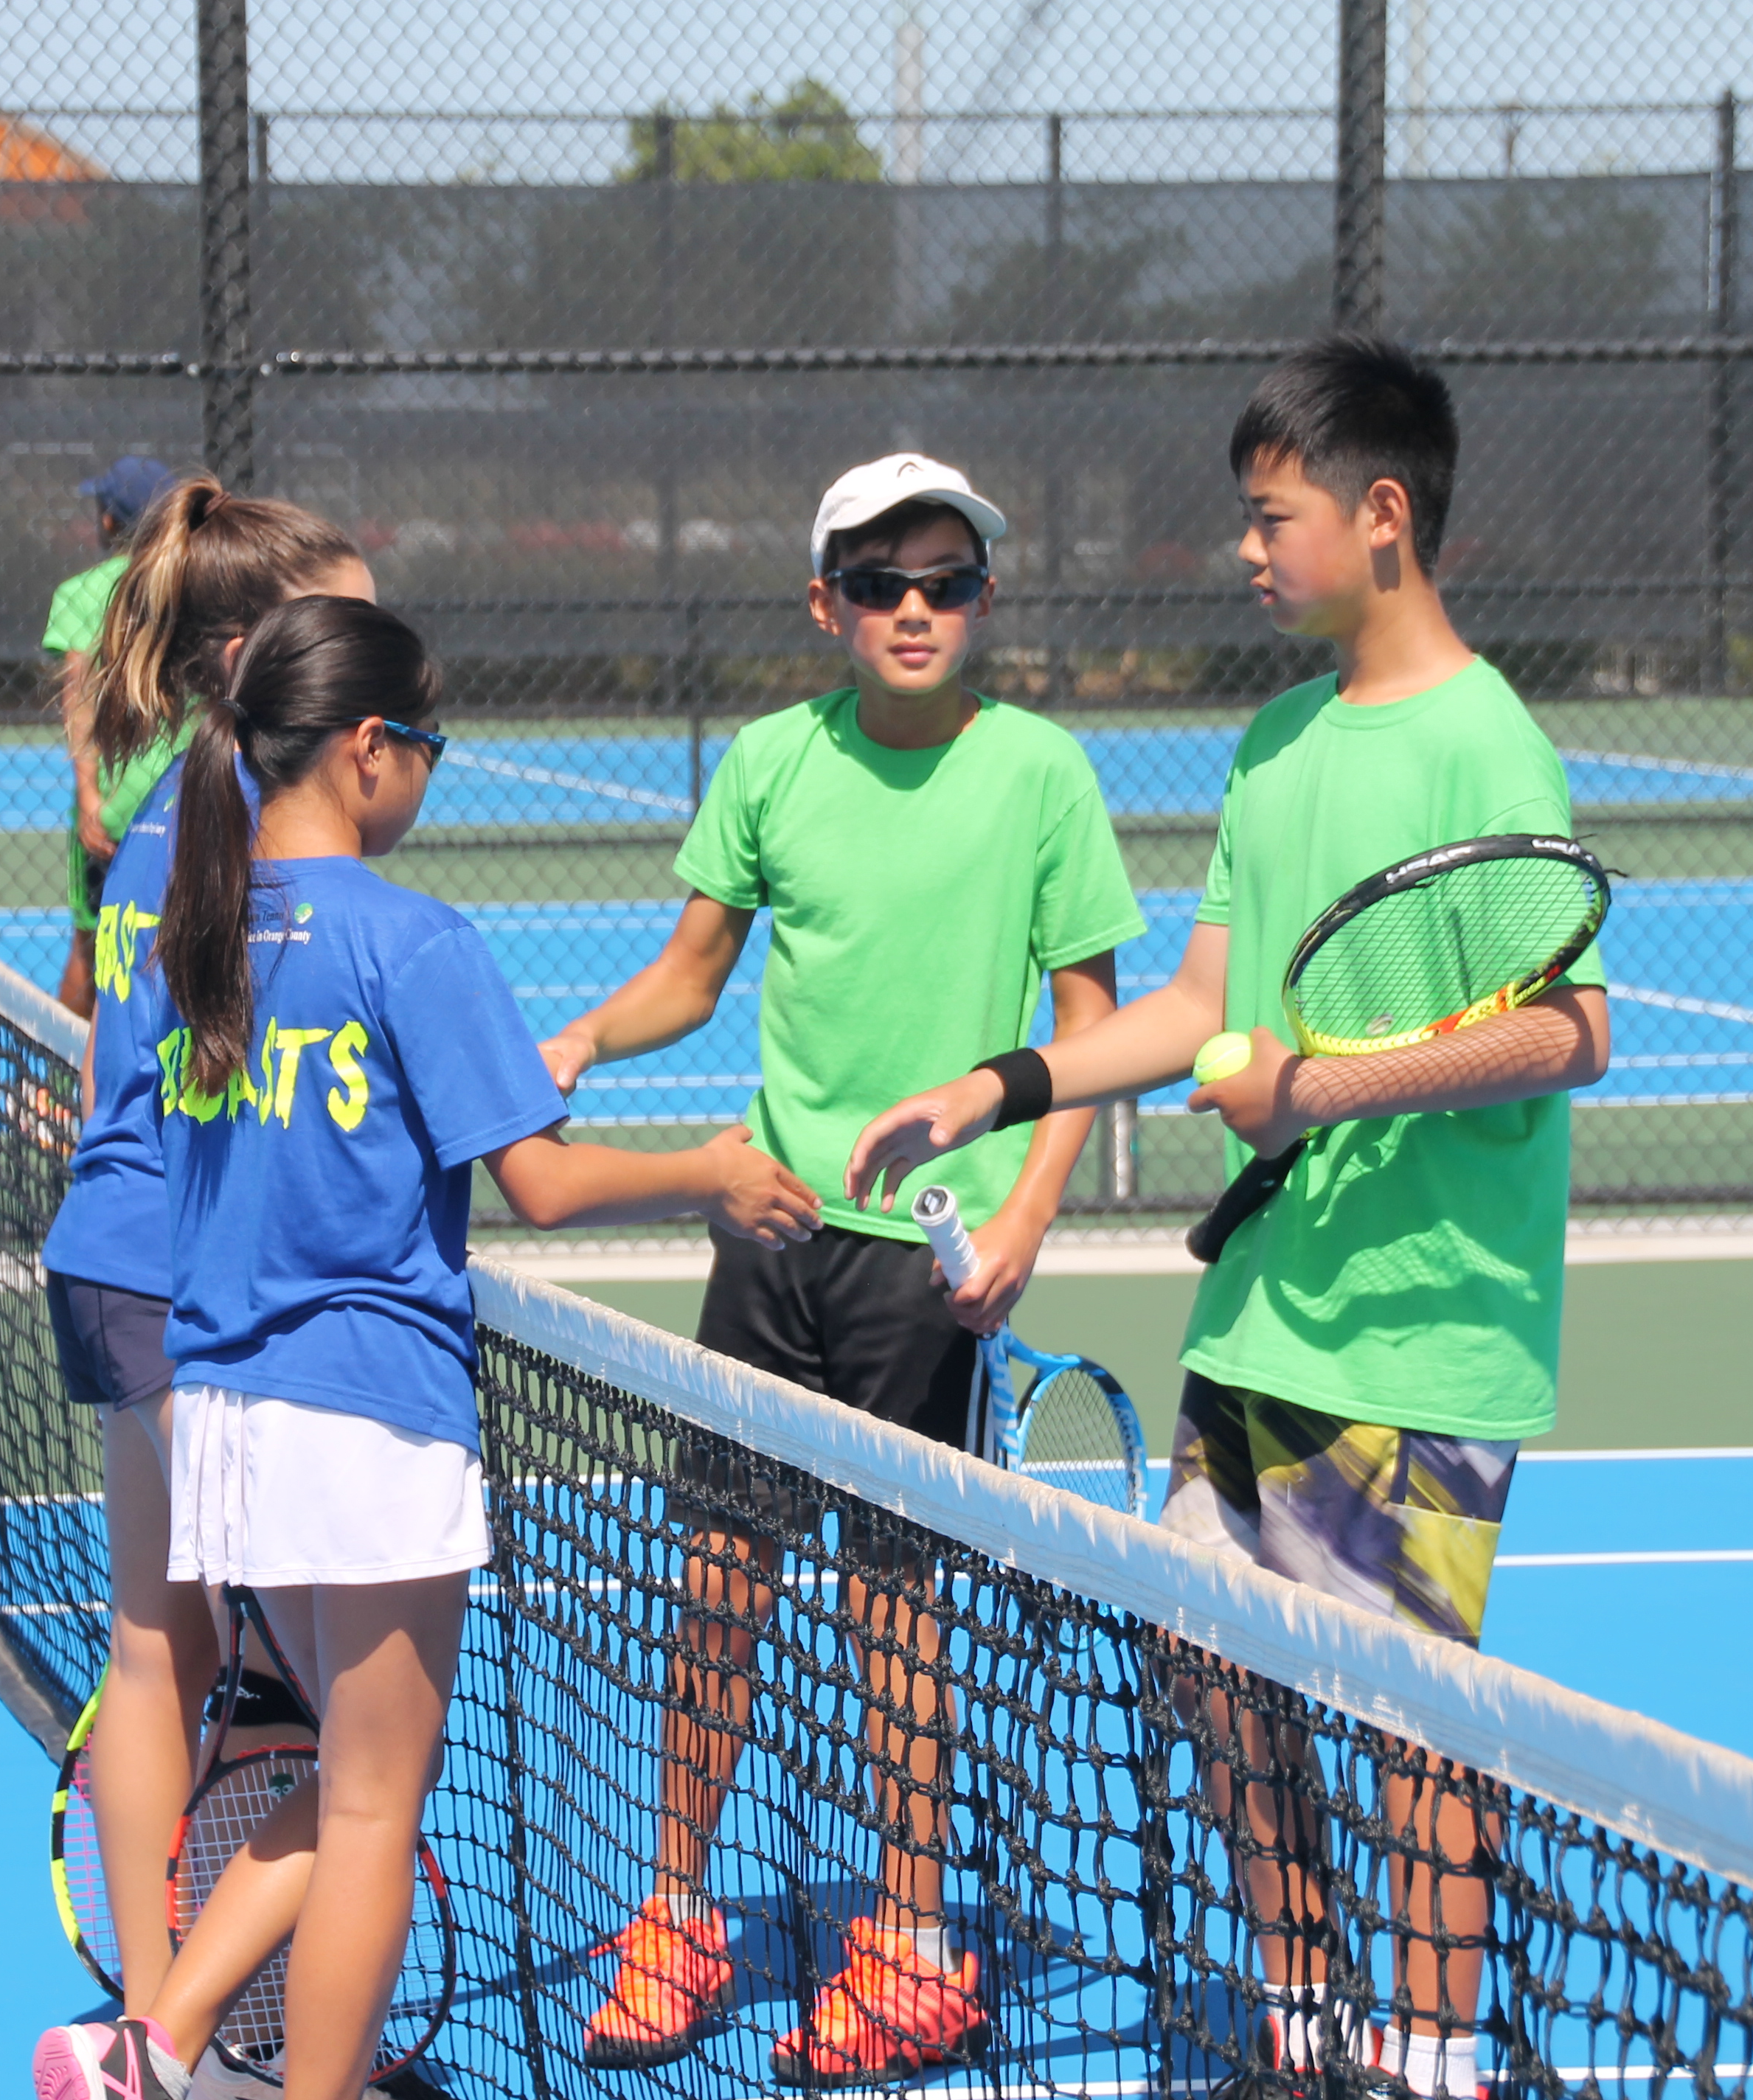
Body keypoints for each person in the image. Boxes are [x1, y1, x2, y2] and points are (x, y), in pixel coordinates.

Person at [844, 337, 1610, 2100]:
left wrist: (1313, 1090)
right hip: (1264, 1315)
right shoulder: (1277, 740)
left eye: (1273, 518)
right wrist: (1002, 1082)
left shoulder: (1487, 745)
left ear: (1384, 514)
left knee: (1407, 1723)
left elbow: (1566, 1029)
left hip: (1421, 1329)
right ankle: (1305, 2015)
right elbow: (1205, 991)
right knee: (1211, 1658)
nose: (1246, 551)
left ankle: (1424, 2053)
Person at [32, 595, 822, 2100]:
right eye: (432, 746)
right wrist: (707, 1171)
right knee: (379, 1806)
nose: (433, 774)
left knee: (344, 1769)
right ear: (372, 749)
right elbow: (540, 1180)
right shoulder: (413, 937)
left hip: (223, 1409)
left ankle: (156, 2032)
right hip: (371, 1411)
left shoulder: (196, 925)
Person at [538, 453, 1144, 2086]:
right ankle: (677, 1913)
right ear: (827, 605)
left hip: (920, 1275)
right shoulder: (769, 763)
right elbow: (691, 968)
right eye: (882, 584)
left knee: (900, 1612)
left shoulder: (1042, 776)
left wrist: (1026, 1215)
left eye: (947, 581)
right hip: (769, 1243)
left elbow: (1091, 1033)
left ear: (985, 600)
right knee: (714, 1593)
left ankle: (921, 1943)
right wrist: (586, 1036)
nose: (917, 609)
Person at [35, 476, 372, 2017]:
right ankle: (174, 2032)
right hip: (198, 1291)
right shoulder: (256, 829)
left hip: (103, 1262)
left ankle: (140, 2018)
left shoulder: (160, 804)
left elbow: (120, 1055)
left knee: (154, 1644)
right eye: (342, 631)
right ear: (249, 646)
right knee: (366, 1739)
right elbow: (272, 1093)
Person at [50, 453, 177, 1015]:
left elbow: (78, 699)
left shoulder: (81, 594)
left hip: (120, 807)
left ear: (109, 522)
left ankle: (56, 1093)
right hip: (187, 801)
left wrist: (90, 797)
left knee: (96, 947)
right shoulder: (195, 586)